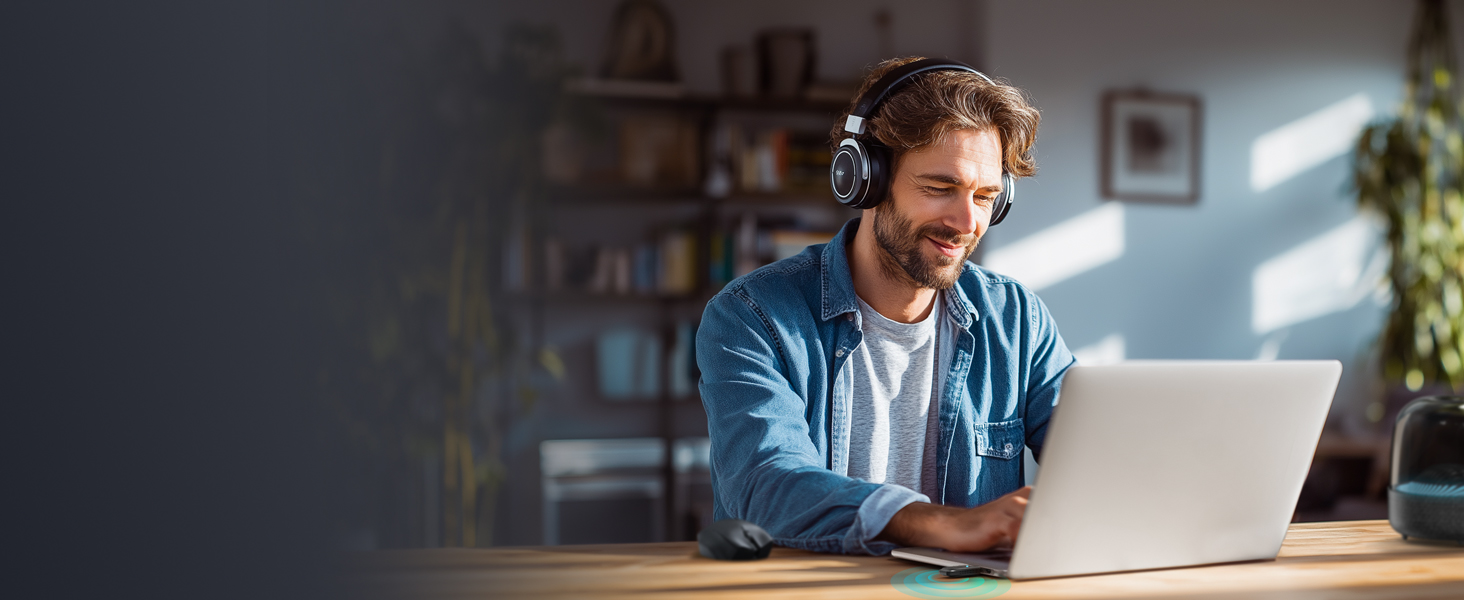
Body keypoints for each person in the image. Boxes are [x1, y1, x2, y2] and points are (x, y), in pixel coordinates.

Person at [695, 56, 1074, 555]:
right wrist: (938, 524)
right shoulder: (753, 316)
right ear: (865, 179)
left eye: (985, 197)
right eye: (940, 188)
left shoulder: (1016, 319)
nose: (966, 222)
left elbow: (1094, 459)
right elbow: (765, 485)